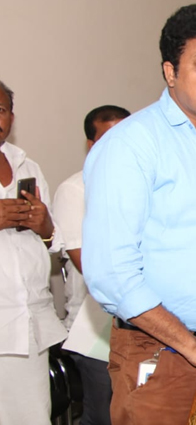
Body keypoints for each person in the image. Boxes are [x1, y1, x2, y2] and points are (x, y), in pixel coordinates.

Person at [82, 4, 196, 425]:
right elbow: (111, 273)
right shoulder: (130, 145)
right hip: (161, 355)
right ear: (170, 71)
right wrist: (192, 345)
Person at [52, 105, 130, 425]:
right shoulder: (75, 190)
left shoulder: (145, 185)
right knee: (103, 417)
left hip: (142, 325)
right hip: (95, 329)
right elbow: (89, 266)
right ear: (91, 144)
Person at [0, 80, 67, 424]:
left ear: (11, 117)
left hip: (28, 324)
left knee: (32, 417)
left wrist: (46, 227)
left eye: (0, 110)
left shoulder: (28, 166)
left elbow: (54, 241)